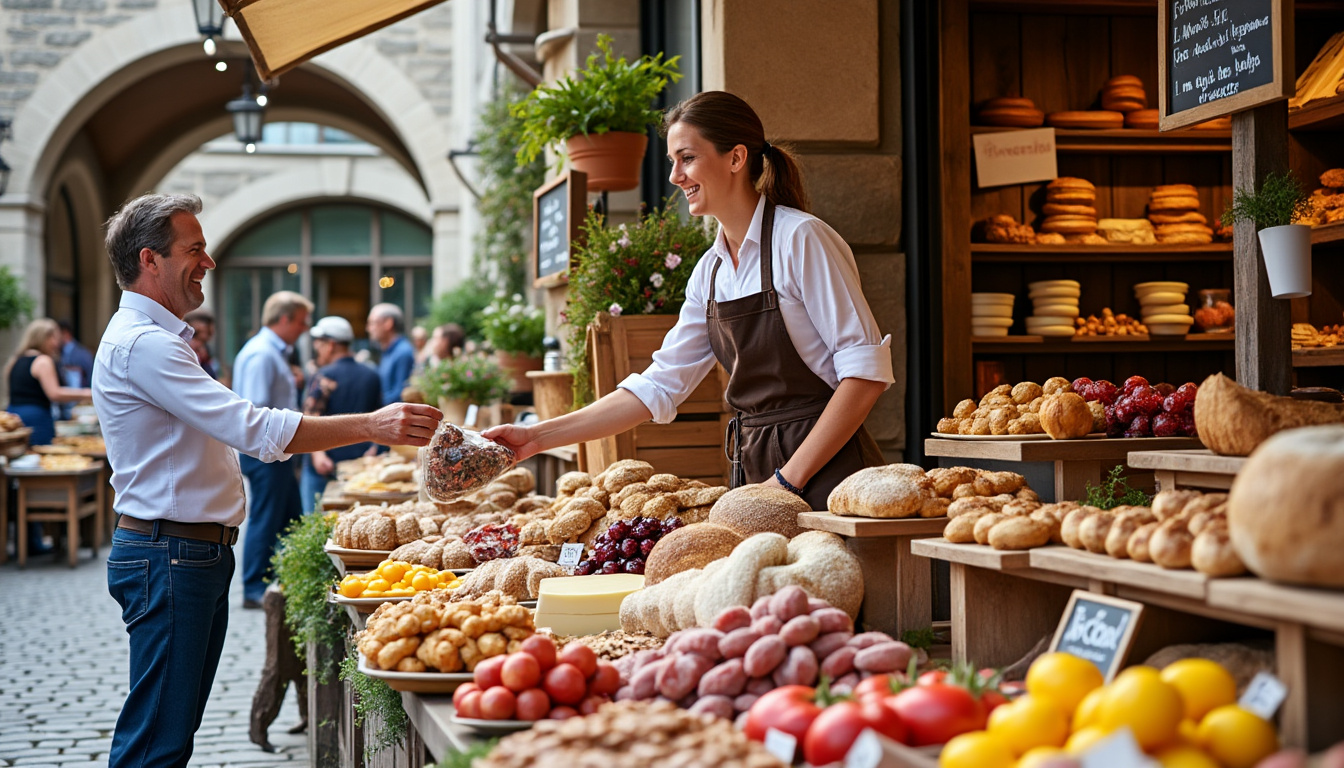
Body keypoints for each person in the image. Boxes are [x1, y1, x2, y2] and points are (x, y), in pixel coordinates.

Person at [95, 193, 440, 768]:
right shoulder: (145, 345)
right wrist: (373, 424)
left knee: (167, 732)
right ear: (150, 260)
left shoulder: (155, 339)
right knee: (156, 741)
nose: (207, 262)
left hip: (183, 552)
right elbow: (250, 426)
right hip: (171, 554)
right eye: (195, 249)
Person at [485, 91, 892, 510]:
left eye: (687, 158)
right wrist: (534, 438)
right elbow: (658, 386)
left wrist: (787, 481)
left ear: (736, 158)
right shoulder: (710, 272)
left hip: (832, 475)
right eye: (672, 162)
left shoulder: (801, 239)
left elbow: (865, 376)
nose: (675, 176)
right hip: (756, 474)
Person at [232, 290, 312, 609]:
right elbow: (256, 409)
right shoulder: (263, 354)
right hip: (266, 452)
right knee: (267, 516)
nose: (304, 329)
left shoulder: (271, 352)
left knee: (290, 516)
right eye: (302, 322)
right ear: (284, 319)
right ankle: (254, 587)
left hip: (276, 451)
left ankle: (290, 578)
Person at [7, 318, 93, 555]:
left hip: (16, 420)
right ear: (44, 337)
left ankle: (27, 539)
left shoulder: (16, 360)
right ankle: (36, 540)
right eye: (54, 336)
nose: (57, 342)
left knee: (22, 480)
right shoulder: (42, 360)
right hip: (36, 421)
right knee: (38, 479)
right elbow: (54, 393)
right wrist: (89, 392)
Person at [300, 315, 382, 512]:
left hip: (324, 466)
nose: (316, 349)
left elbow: (310, 418)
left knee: (317, 527)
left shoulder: (324, 376)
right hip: (361, 466)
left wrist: (317, 455)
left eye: (318, 343)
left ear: (331, 345)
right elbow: (380, 416)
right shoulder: (372, 374)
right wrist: (374, 448)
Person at [366, 302, 415, 406]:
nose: (369, 329)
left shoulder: (403, 352)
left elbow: (400, 395)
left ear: (388, 323)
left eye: (372, 323)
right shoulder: (388, 350)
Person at [184, 307, 220, 379]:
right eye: (195, 337)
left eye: (204, 342)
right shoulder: (183, 353)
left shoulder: (207, 355)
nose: (200, 346)